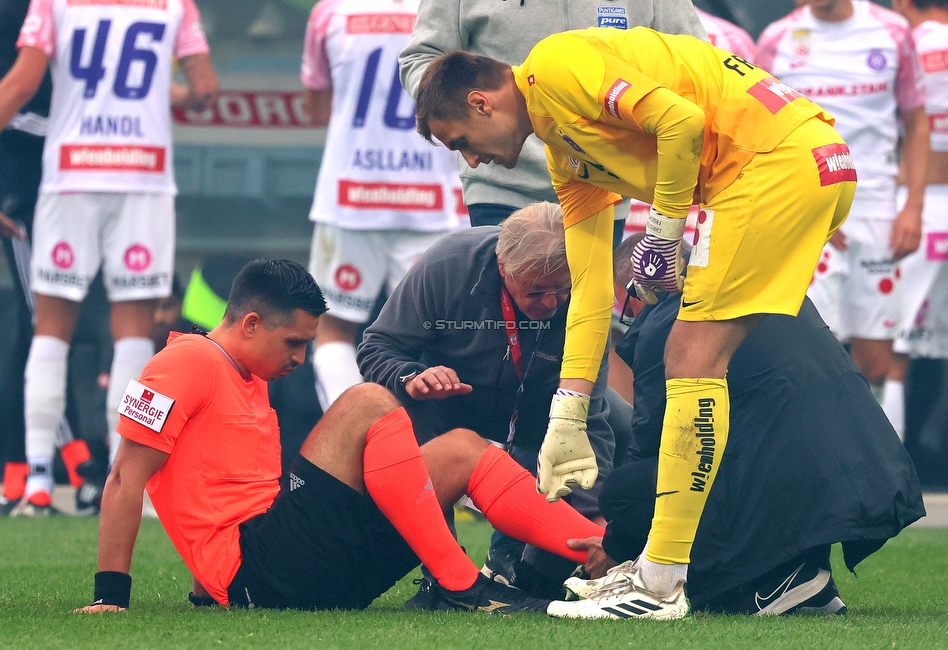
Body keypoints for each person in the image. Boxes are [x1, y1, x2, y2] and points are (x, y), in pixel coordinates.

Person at [415, 26, 856, 618]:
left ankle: (659, 584)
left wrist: (664, 232)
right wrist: (568, 410)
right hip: (810, 163)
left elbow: (681, 123)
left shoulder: (553, 65)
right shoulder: (564, 150)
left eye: (459, 141)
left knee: (690, 355)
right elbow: (591, 290)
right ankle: (677, 571)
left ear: (481, 101)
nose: (470, 159)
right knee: (717, 355)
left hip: (775, 167)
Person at [74, 259, 605, 614]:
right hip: (265, 574)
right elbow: (125, 477)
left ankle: (606, 560)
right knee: (369, 399)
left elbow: (213, 492)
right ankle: (460, 583)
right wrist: (111, 596)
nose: (300, 359)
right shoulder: (181, 362)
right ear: (251, 323)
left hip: (297, 569)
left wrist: (204, 592)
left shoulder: (247, 373)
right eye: (294, 343)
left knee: (462, 449)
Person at [546, 235, 925, 618]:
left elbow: (658, 445)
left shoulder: (667, 324)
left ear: (640, 283)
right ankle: (801, 572)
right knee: (754, 447)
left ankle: (763, 581)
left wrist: (616, 544)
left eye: (623, 302)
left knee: (627, 491)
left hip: (788, 475)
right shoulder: (770, 283)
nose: (625, 314)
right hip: (869, 468)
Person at [0, 0, 218, 513]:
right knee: (133, 338)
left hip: (70, 175)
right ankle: (126, 482)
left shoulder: (54, 2)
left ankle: (35, 484)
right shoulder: (174, 4)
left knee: (49, 332)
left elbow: (22, 85)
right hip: (142, 177)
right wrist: (167, 95)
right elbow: (206, 92)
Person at [358, 202, 615, 593]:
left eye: (562, 290)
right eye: (536, 291)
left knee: (626, 427)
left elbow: (591, 421)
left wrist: (593, 522)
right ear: (502, 268)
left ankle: (543, 573)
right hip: (446, 405)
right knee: (395, 408)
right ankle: (443, 578)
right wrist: (412, 377)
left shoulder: (588, 287)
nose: (551, 303)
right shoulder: (447, 264)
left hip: (546, 410)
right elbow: (376, 346)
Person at [398, 0, 707, 242]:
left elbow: (695, 59)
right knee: (512, 319)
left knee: (585, 305)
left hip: (603, 183)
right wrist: (461, 110)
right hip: (502, 187)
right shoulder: (492, 132)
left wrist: (666, 225)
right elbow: (420, 57)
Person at [757, 0, 928, 399]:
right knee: (811, 350)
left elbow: (918, 123)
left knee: (877, 363)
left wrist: (914, 207)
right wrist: (801, 202)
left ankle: (883, 457)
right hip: (806, 215)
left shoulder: (893, 32)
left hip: (876, 211)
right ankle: (821, 457)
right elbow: (760, 131)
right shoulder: (776, 39)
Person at [301, 0, 462, 413]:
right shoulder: (451, 8)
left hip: (351, 197)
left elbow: (317, 108)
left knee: (334, 328)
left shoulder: (331, 11)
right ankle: (446, 460)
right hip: (433, 202)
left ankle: (355, 442)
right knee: (444, 335)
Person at [0, 0, 102, 517]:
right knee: (41, 327)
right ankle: (60, 466)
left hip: (72, 180)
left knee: (43, 328)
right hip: (23, 186)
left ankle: (42, 468)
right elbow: (15, 92)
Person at [887, 0, 948, 528]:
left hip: (922, 205)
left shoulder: (908, 43)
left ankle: (885, 500)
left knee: (890, 356)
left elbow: (903, 125)